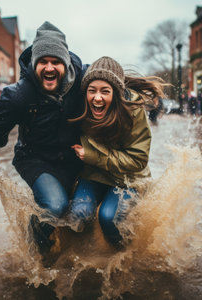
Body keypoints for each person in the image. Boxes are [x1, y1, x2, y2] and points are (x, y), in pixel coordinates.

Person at [0, 21, 86, 255]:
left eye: (55, 62)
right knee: (56, 206)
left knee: (82, 215)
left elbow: (111, 84)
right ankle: (36, 242)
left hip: (76, 158)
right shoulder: (18, 94)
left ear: (65, 63)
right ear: (34, 64)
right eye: (43, 61)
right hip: (36, 160)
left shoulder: (84, 81)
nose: (49, 67)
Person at [68, 56, 165, 248]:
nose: (97, 97)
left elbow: (138, 160)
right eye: (92, 90)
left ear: (117, 94)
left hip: (127, 178)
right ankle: (85, 258)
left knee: (109, 218)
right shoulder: (79, 106)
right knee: (79, 215)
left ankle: (122, 258)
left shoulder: (133, 111)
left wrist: (92, 156)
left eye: (105, 91)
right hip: (94, 175)